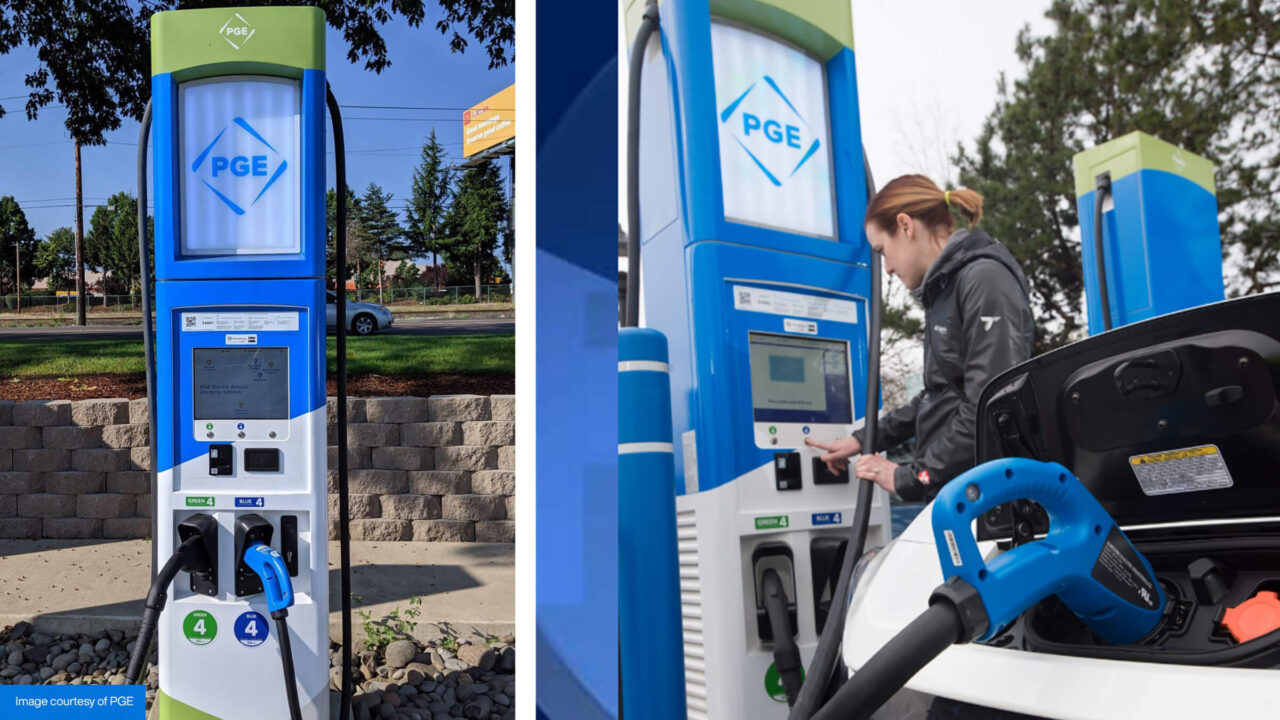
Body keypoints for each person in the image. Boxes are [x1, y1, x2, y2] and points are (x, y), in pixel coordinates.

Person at [805, 175, 1033, 501]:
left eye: (883, 251)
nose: (887, 268)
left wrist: (913, 476)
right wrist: (863, 439)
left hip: (989, 500)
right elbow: (938, 398)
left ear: (905, 226)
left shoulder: (983, 278)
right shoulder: (945, 291)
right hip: (962, 496)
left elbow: (989, 404)